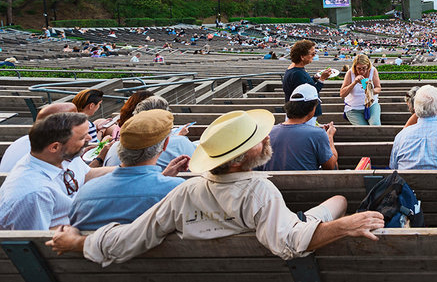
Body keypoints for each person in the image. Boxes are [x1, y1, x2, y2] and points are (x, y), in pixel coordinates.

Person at [46, 109, 385, 263]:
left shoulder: (184, 192)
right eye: (255, 140)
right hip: (278, 252)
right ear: (237, 161)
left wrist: (79, 243)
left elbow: (129, 238)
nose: (266, 138)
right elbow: (290, 242)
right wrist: (345, 225)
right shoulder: (259, 191)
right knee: (340, 199)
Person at [68, 110, 189, 230]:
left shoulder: (84, 194)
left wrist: (162, 176)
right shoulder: (178, 191)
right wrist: (162, 179)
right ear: (165, 144)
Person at [0, 112, 90, 229]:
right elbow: (38, 240)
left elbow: (88, 174)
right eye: (82, 138)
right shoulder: (36, 193)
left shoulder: (53, 158)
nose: (90, 138)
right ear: (54, 147)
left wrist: (120, 170)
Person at [261, 84, 339, 171]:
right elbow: (330, 166)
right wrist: (329, 136)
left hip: (271, 183)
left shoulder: (268, 131)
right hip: (306, 184)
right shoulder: (318, 134)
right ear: (312, 108)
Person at [283, 40, 334, 118]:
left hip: (301, 114)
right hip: (303, 115)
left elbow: (303, 86)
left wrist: (314, 78)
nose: (314, 56)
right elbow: (311, 94)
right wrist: (322, 79)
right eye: (312, 54)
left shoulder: (294, 70)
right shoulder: (297, 73)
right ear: (302, 57)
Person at [339, 54, 381, 125]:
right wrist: (354, 83)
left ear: (368, 66)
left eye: (364, 68)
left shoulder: (373, 70)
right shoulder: (350, 73)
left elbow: (378, 88)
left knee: (375, 125)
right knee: (364, 129)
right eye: (359, 68)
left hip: (371, 105)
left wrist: (370, 90)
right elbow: (342, 94)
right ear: (355, 67)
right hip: (353, 108)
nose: (361, 71)